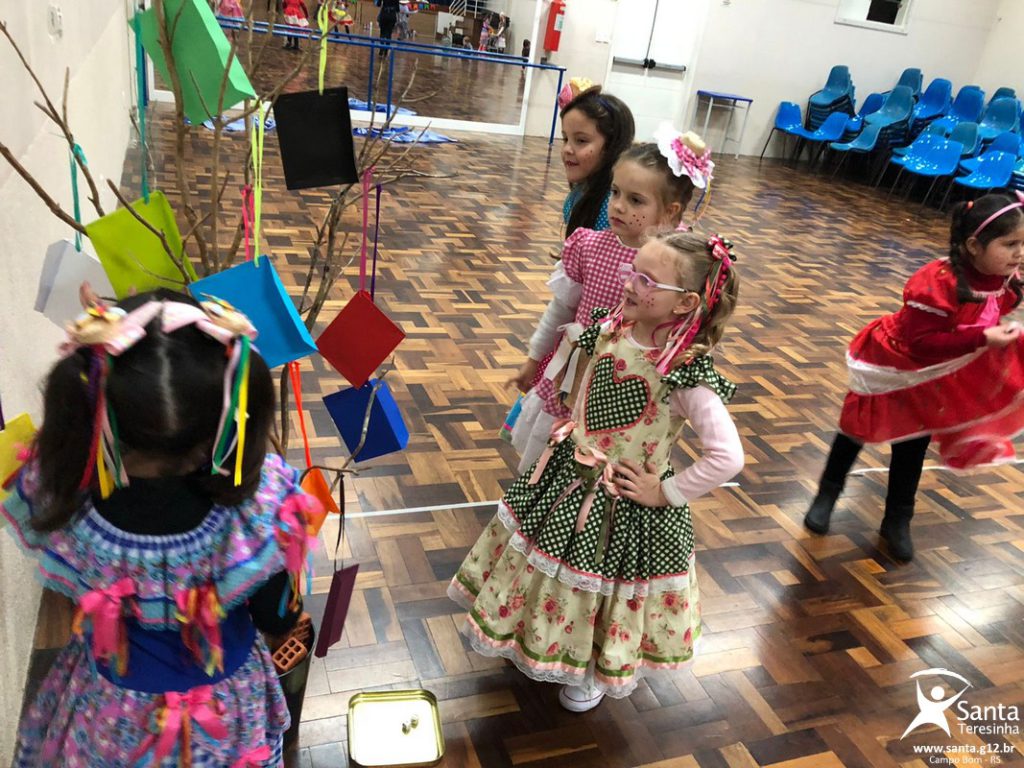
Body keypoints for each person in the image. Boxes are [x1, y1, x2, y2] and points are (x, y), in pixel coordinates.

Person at [3, 288, 322, 766]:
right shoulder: (258, 510)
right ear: (227, 418)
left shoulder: (60, 494)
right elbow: (277, 617)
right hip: (224, 712)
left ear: (95, 407)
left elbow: (79, 596)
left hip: (111, 711)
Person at [450, 230, 744, 712]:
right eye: (633, 271)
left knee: (602, 588)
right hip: (568, 474)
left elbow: (727, 457)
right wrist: (574, 421)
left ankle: (590, 669)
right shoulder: (613, 328)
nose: (630, 283)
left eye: (646, 280)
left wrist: (664, 492)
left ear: (685, 302)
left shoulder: (683, 373)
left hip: (624, 505)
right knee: (548, 569)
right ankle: (538, 636)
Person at [804, 192, 1024, 561]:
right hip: (893, 364)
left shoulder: (1005, 281)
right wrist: (983, 338)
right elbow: (922, 343)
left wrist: (995, 335)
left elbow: (986, 317)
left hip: (934, 374)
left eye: (1023, 244)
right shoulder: (937, 283)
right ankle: (828, 492)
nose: (1019, 254)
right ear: (974, 245)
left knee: (912, 443)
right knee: (856, 430)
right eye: (1010, 244)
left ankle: (897, 518)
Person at [510, 127, 715, 472]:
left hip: (630, 382)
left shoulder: (679, 264)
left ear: (670, 211)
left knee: (603, 463)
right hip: (576, 373)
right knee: (547, 460)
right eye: (615, 192)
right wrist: (533, 360)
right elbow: (560, 310)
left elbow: (693, 327)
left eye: (636, 200)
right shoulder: (588, 246)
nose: (618, 206)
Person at [558, 80, 635, 239]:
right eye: (565, 139)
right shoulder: (580, 191)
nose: (567, 149)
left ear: (611, 145)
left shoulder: (614, 208)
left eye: (581, 140)